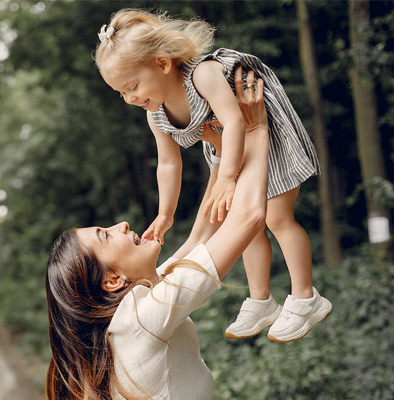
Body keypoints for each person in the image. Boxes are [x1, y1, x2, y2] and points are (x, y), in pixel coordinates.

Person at [46, 68, 285, 399]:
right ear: (113, 280)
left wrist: (219, 152)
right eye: (106, 236)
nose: (122, 226)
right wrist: (256, 129)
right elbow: (248, 218)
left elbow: (202, 235)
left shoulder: (140, 302)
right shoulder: (141, 318)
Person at [94, 8, 331, 342]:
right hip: (229, 154)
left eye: (132, 86)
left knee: (277, 217)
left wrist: (227, 178)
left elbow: (236, 121)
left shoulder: (202, 75)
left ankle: (306, 298)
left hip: (263, 133)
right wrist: (165, 214)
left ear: (162, 64)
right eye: (121, 93)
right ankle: (261, 299)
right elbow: (168, 164)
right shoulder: (155, 114)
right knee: (242, 224)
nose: (130, 99)